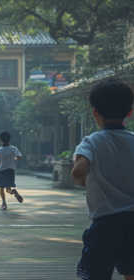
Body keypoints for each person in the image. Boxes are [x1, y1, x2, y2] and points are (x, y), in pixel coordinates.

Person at [71, 78, 134, 280]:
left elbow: (77, 172)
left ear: (95, 112)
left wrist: (84, 182)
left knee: (96, 274)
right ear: (129, 112)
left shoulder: (91, 141)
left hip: (106, 224)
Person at [0, 131, 23, 210]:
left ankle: (4, 203)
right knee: (8, 189)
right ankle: (14, 192)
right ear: (9, 140)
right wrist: (13, 158)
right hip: (10, 171)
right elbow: (19, 157)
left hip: (1, 171)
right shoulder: (13, 148)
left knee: (1, 189)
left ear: (0, 140)